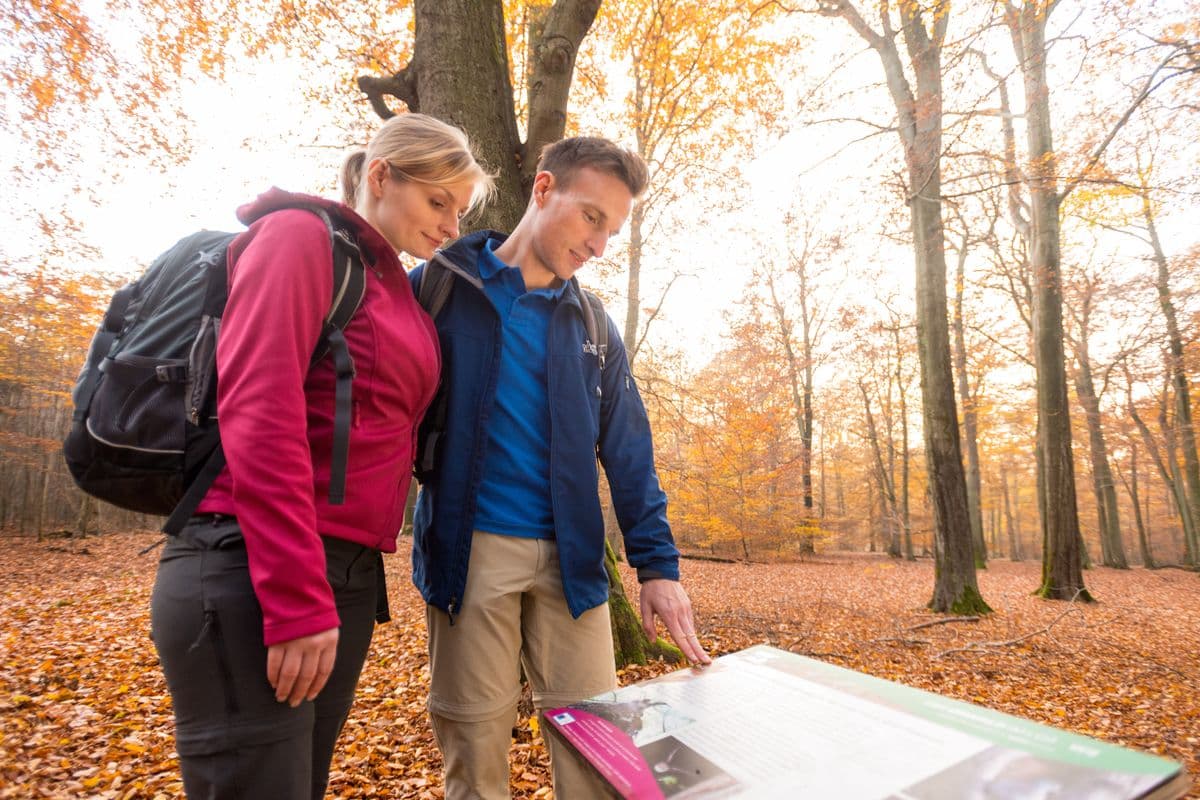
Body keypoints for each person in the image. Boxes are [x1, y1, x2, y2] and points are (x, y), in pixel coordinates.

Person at [150, 113, 494, 799]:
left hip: (345, 574)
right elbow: (259, 409)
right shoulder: (299, 238)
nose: (451, 226)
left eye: (459, 211)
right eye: (438, 202)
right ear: (379, 176)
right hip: (252, 567)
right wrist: (297, 598)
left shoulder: (392, 282)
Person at [409, 136, 711, 799]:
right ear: (543, 190)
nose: (599, 245)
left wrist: (657, 567)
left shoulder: (593, 327)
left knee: (601, 761)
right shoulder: (435, 291)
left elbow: (630, 451)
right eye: (591, 217)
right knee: (475, 754)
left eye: (613, 230)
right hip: (468, 556)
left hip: (573, 566)